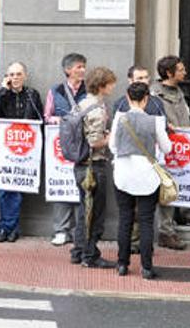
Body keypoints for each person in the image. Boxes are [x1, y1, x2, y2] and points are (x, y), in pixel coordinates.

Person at [113, 66, 183, 252]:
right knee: (136, 217)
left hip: (145, 167)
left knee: (133, 216)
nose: (143, 80)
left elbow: (113, 144)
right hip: (137, 168)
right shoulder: (120, 105)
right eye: (139, 77)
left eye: (146, 77)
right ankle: (143, 259)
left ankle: (124, 260)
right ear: (130, 80)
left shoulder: (157, 104)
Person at [109, 82, 173, 279]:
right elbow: (167, 148)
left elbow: (113, 146)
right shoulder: (156, 121)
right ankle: (146, 267)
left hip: (123, 174)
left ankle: (122, 264)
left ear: (128, 98)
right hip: (147, 175)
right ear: (147, 99)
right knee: (146, 221)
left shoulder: (120, 118)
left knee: (125, 219)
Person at [0, 62, 43, 243]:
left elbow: (39, 118)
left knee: (17, 189)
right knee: (4, 190)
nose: (15, 78)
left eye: (18, 74)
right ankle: (4, 226)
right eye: (11, 74)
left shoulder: (32, 94)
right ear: (7, 77)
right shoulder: (2, 94)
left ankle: (12, 228)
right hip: (5, 149)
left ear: (24, 76)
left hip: (24, 149)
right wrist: (2, 91)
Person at [69, 66, 117, 269]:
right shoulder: (96, 109)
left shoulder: (81, 104)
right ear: (102, 85)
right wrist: (111, 138)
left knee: (83, 210)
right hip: (93, 166)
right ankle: (90, 255)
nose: (113, 87)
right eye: (111, 83)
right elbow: (95, 141)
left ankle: (78, 250)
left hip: (80, 165)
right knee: (95, 212)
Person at [151, 55, 190, 229]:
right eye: (180, 70)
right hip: (166, 146)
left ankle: (187, 213)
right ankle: (166, 227)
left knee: (187, 177)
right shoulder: (154, 93)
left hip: (183, 145)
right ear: (168, 72)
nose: (185, 72)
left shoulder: (180, 91)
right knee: (168, 184)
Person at [43, 53, 87, 246]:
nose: (83, 70)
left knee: (81, 187)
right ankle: (61, 230)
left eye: (84, 66)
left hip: (83, 147)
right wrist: (62, 121)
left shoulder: (89, 90)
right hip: (59, 149)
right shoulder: (56, 90)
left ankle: (80, 231)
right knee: (61, 187)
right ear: (68, 70)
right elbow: (47, 116)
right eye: (78, 67)